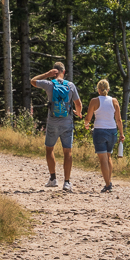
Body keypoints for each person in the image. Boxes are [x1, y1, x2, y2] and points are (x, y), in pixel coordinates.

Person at [31, 62, 82, 192]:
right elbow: (78, 104)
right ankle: (67, 182)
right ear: (63, 72)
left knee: (49, 149)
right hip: (67, 123)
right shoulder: (70, 85)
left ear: (54, 71)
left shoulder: (49, 84)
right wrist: (78, 112)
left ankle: (53, 179)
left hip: (52, 122)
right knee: (67, 152)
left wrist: (47, 74)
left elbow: (33, 81)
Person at [83, 79, 124, 193]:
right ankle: (109, 181)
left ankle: (107, 184)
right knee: (108, 156)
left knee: (103, 159)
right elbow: (119, 120)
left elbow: (88, 118)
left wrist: (86, 125)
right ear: (108, 89)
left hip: (99, 131)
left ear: (98, 90)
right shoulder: (114, 101)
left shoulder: (94, 101)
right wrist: (122, 134)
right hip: (112, 131)